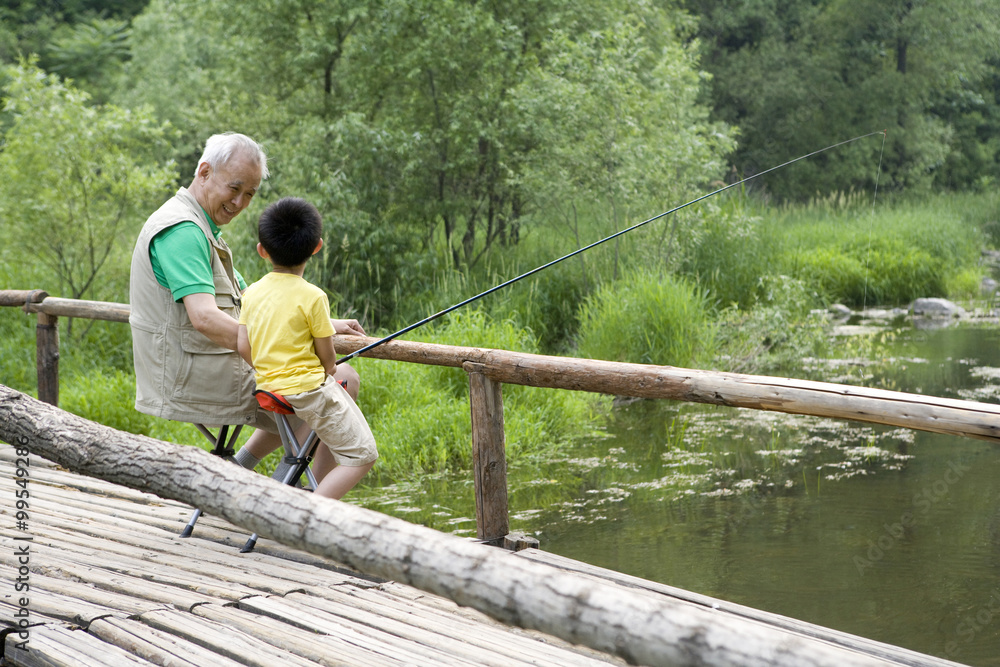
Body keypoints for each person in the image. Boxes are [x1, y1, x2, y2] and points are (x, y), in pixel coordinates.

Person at [129, 132, 364, 470]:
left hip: (205, 361)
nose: (239, 203)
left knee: (315, 384)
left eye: (250, 194)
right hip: (190, 374)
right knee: (341, 382)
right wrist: (285, 344)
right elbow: (205, 319)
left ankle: (242, 471)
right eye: (234, 188)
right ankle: (305, 509)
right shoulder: (182, 231)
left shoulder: (200, 226)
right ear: (205, 172)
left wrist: (321, 324)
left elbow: (251, 302)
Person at [237, 197, 377, 498]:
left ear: (262, 250)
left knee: (328, 445)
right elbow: (328, 357)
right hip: (310, 393)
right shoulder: (313, 297)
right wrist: (326, 369)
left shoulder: (252, 294)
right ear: (317, 246)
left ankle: (286, 491)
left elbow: (242, 345)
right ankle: (304, 516)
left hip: (269, 390)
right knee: (362, 456)